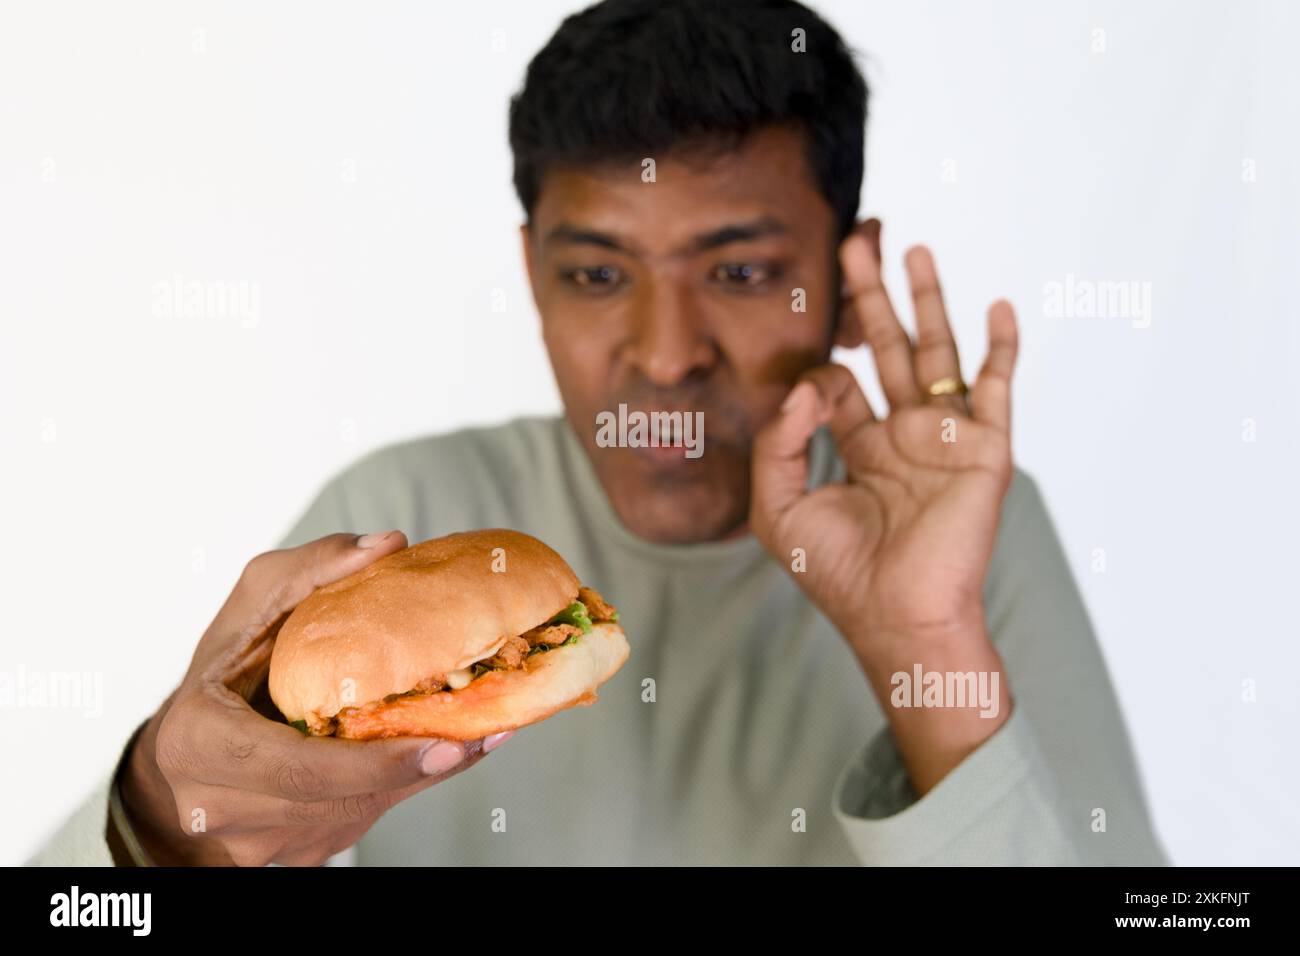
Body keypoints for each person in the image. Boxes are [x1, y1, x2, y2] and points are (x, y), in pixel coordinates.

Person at [28, 0, 1167, 866]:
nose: (665, 352)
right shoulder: (393, 521)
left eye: (738, 269)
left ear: (841, 274)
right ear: (532, 275)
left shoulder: (966, 534)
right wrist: (155, 812)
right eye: (595, 272)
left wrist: (928, 651)